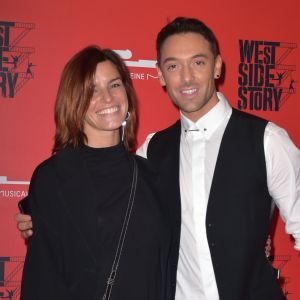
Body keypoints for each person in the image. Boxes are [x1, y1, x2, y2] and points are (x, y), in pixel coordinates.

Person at [17, 17, 300, 300]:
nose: (186, 77)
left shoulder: (267, 140)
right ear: (161, 75)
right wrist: (39, 217)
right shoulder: (152, 152)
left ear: (217, 66)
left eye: (198, 62)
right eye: (173, 66)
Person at [19, 46, 171, 300]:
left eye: (114, 85)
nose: (108, 98)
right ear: (74, 100)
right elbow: (42, 278)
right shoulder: (52, 178)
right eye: (92, 90)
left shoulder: (152, 175)